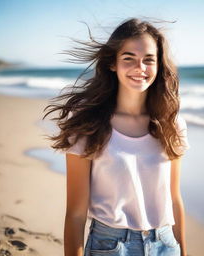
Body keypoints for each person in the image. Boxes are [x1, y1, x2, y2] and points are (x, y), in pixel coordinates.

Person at [43, 17, 190, 256]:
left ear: (159, 65)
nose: (140, 68)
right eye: (128, 58)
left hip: (165, 244)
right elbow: (76, 214)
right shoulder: (88, 125)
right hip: (110, 246)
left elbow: (174, 200)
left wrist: (184, 251)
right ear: (113, 63)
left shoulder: (172, 125)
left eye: (148, 60)